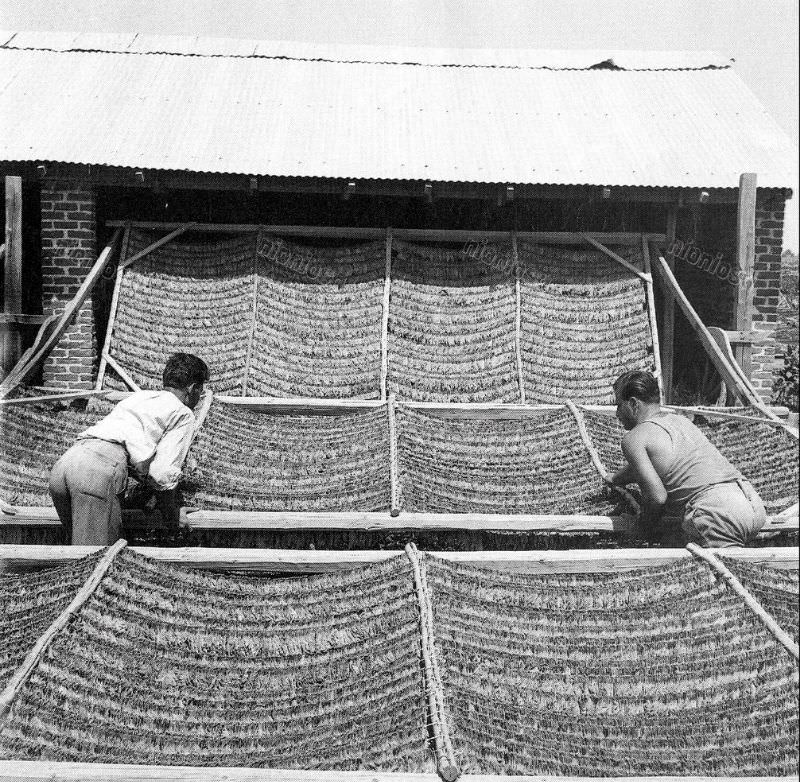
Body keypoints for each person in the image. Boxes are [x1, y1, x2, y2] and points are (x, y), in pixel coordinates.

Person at [49, 353, 209, 545]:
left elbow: (139, 460)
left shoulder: (139, 398)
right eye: (201, 391)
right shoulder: (182, 413)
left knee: (76, 554)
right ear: (193, 388)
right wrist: (172, 514)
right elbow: (161, 474)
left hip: (65, 466)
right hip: (95, 473)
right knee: (97, 559)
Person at [608, 369, 766, 547]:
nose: (617, 414)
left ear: (633, 404)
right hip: (750, 502)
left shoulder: (634, 438)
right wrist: (616, 478)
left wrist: (640, 527)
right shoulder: (680, 421)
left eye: (619, 406)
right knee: (671, 539)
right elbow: (650, 465)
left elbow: (656, 497)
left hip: (716, 514)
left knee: (718, 572)